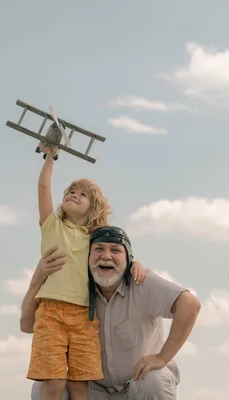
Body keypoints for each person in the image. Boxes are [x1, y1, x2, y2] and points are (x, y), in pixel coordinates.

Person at [22, 225, 202, 399]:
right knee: (42, 389)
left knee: (154, 381)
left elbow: (190, 305)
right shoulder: (75, 290)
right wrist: (37, 280)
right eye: (98, 249)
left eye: (116, 250)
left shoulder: (142, 282)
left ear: (128, 258)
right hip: (94, 391)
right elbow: (27, 325)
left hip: (136, 386)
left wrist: (162, 358)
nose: (106, 256)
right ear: (87, 257)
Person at [28, 144, 147, 400]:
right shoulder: (52, 226)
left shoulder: (96, 239)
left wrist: (135, 263)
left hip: (85, 315)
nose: (73, 195)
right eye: (71, 191)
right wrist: (51, 157)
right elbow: (43, 188)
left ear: (93, 209)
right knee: (54, 381)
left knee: (80, 384)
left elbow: (118, 252)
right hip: (51, 313)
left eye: (82, 194)